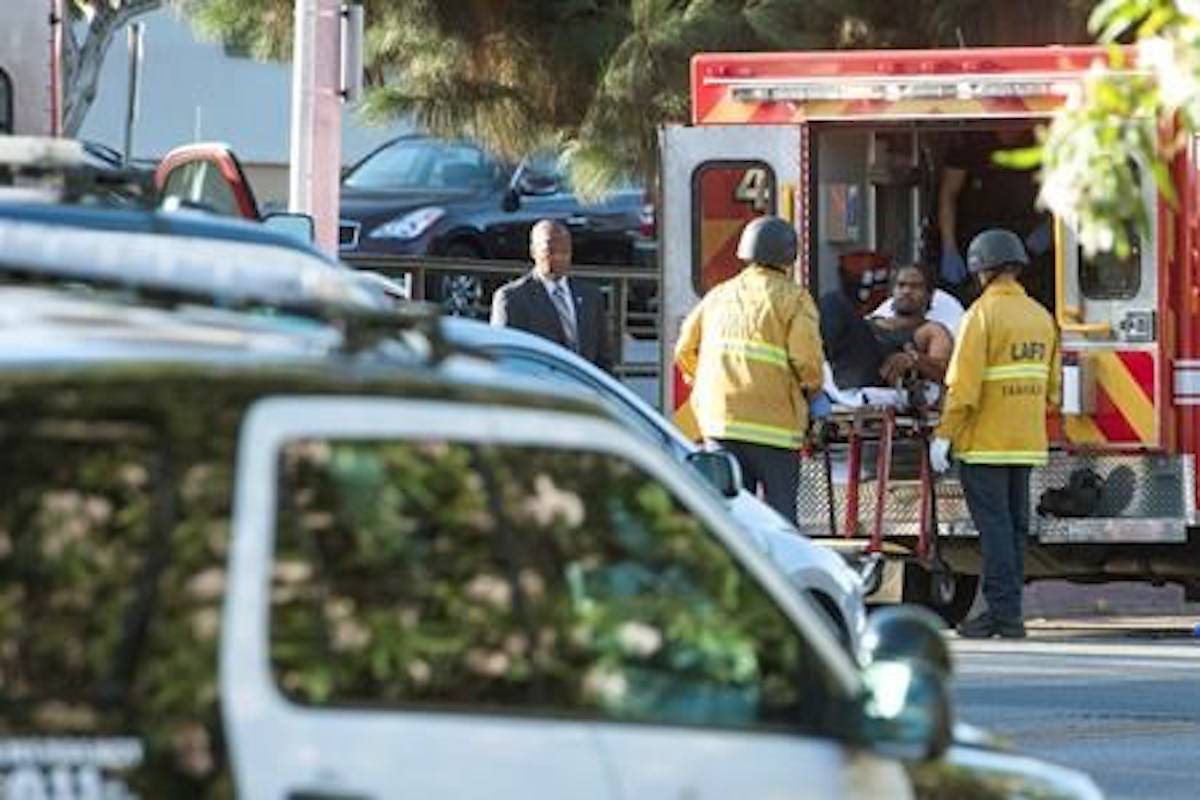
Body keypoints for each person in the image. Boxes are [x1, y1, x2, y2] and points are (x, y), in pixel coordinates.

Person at [931, 229, 1060, 639]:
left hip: (984, 444)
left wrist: (943, 436)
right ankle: (1009, 610)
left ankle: (1003, 616)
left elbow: (963, 387)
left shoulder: (980, 316)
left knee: (995, 531)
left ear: (980, 270)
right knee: (1016, 529)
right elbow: (1053, 391)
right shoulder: (1042, 317)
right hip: (1025, 443)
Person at [674, 216, 823, 521]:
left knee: (729, 518)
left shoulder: (717, 296)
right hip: (776, 430)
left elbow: (684, 349)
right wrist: (814, 396)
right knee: (780, 519)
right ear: (789, 257)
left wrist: (702, 383)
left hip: (721, 424)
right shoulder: (795, 299)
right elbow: (806, 362)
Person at [938, 130, 1051, 303]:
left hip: (1028, 244)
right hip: (976, 241)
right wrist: (949, 247)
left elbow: (1067, 190)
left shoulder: (1041, 140)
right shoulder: (970, 143)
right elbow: (948, 194)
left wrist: (1052, 228)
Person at [490, 219, 612, 370]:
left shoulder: (590, 297)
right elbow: (503, 359)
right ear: (533, 251)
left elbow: (603, 360)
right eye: (550, 251)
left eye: (565, 251)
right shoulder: (512, 298)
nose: (559, 258)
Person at [821, 263, 953, 396]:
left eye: (915, 286)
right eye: (901, 285)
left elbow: (945, 371)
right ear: (893, 291)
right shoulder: (873, 320)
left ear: (929, 295)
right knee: (831, 303)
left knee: (834, 301)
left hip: (880, 372)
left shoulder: (930, 330)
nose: (906, 291)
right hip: (846, 365)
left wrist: (913, 359)